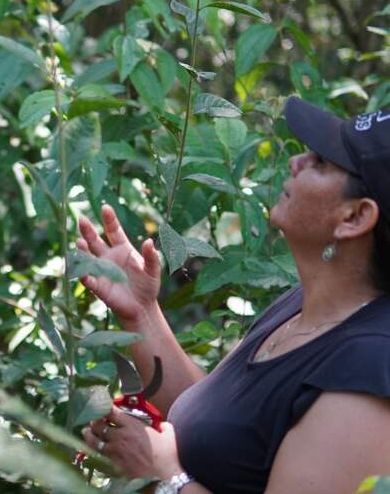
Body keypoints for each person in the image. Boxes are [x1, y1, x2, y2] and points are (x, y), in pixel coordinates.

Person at [77, 96, 390, 493]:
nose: (296, 162)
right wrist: (141, 313)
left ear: (355, 217)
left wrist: (163, 473)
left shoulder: (368, 370)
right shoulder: (303, 305)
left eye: (322, 163)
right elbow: (218, 432)